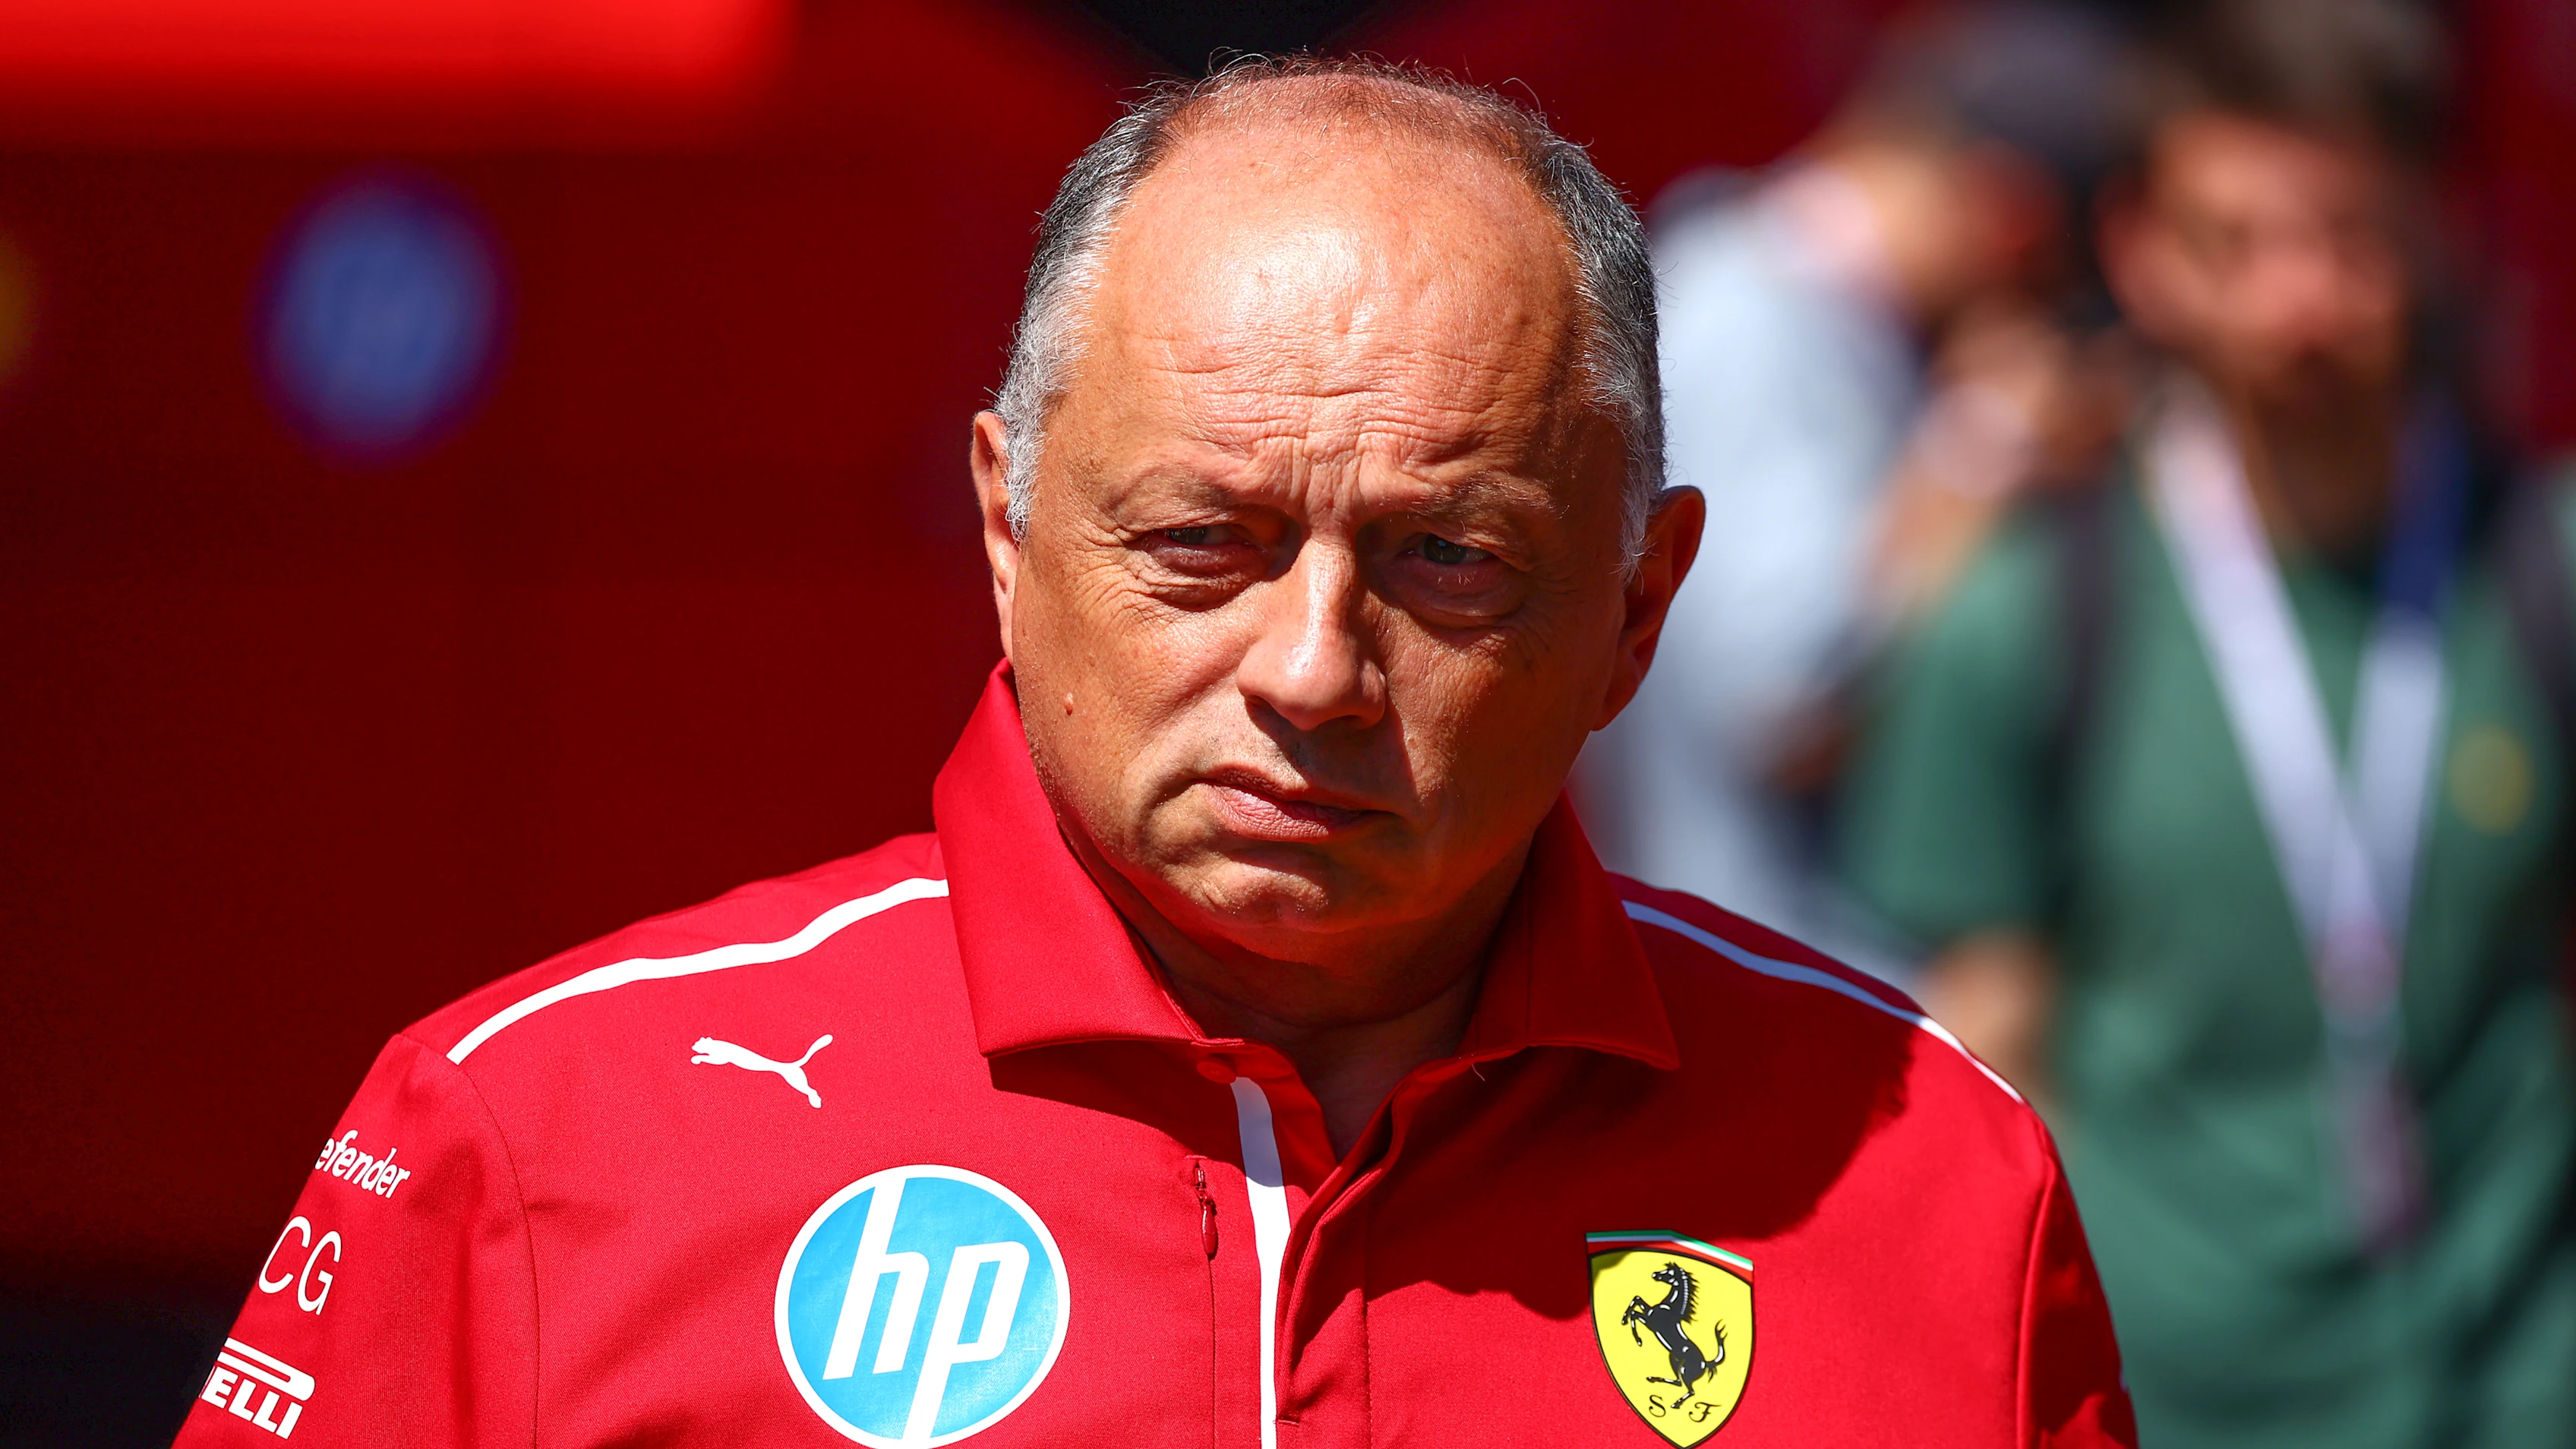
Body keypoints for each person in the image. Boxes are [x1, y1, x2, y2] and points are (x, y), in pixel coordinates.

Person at [176, 59, 2133, 1448]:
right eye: (1201, 540)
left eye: (1448, 560)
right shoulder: (529, 1149)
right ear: (1007, 527)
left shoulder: (1936, 1185)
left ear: (1638, 607)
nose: (1311, 667)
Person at [1840, 2, 2576, 1444]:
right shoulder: (2033, 611)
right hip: (2173, 1391)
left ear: (2438, 228)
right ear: (2138, 251)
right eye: (2237, 242)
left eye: (2351, 238)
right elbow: (1985, 1050)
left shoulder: (2541, 569)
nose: (2300, 302)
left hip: (2520, 1371)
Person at [1580, 2, 2132, 971]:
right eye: (2049, 286)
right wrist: (1976, 456)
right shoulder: (1752, 317)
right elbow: (1783, 705)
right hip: (1756, 978)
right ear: (2015, 225)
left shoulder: (1805, 308)